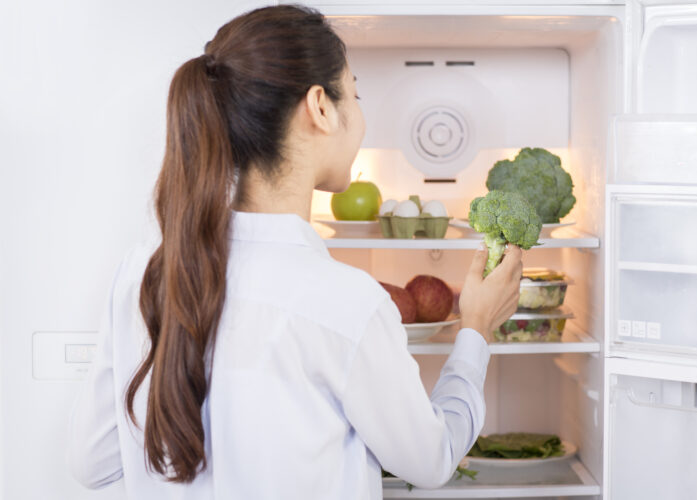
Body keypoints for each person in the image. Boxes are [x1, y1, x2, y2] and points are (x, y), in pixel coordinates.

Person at [67, 4, 522, 499]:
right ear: (320, 107)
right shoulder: (346, 302)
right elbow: (430, 459)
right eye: (355, 93)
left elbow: (94, 462)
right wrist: (477, 328)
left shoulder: (144, 272)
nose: (361, 117)